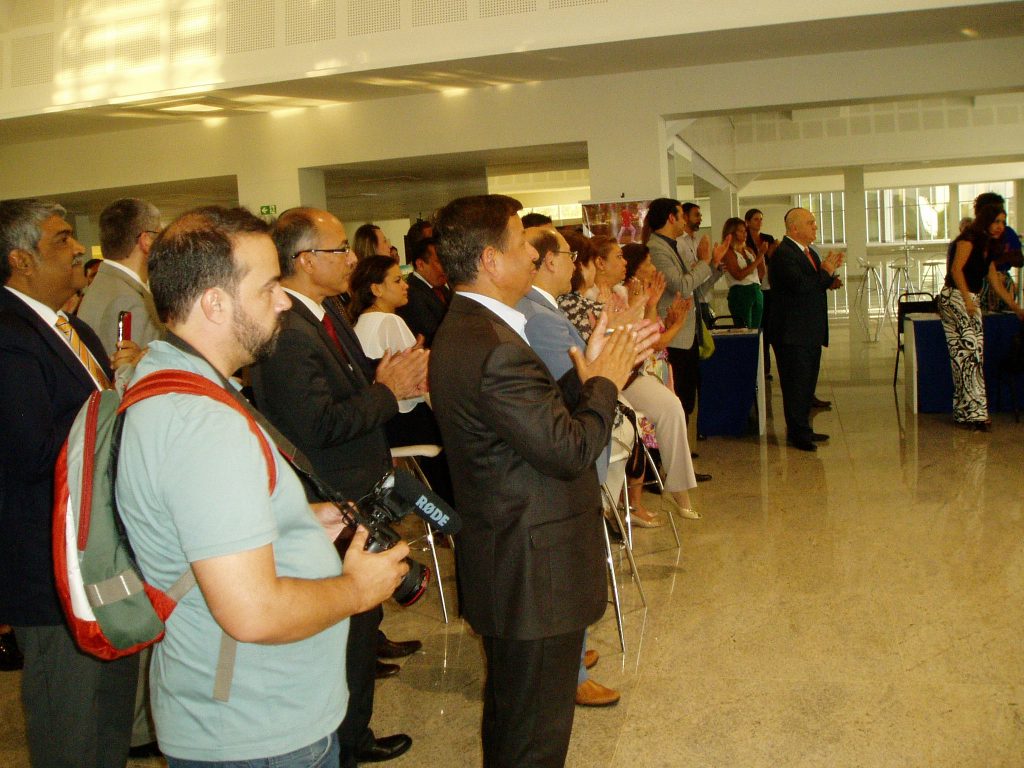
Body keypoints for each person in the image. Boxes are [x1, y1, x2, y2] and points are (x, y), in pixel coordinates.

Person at [114, 205, 410, 766]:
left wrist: (295, 518)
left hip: (240, 708)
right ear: (215, 303)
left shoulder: (178, 379)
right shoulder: (203, 423)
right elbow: (253, 611)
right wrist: (357, 588)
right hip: (257, 727)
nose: (282, 301)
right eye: (269, 286)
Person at [430, 194, 649, 768]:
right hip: (533, 568)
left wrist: (587, 379)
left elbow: (530, 428)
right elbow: (570, 450)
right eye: (522, 243)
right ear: (490, 260)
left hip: (514, 557)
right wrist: (605, 383)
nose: (535, 254)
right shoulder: (493, 346)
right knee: (533, 737)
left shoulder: (476, 329)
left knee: (516, 721)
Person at [249, 207, 425, 767]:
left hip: (359, 489)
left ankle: (355, 731)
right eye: (339, 249)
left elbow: (350, 383)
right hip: (330, 496)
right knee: (345, 635)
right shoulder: (287, 332)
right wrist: (386, 392)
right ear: (304, 260)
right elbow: (318, 424)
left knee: (361, 626)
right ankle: (347, 743)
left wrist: (387, 375)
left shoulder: (325, 312)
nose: (352, 259)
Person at [0, 199, 140, 768]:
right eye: (61, 239)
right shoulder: (9, 335)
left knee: (110, 713)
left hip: (100, 550)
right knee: (71, 720)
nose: (80, 247)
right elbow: (31, 450)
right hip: (50, 564)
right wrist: (113, 407)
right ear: (21, 260)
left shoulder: (71, 327)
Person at [592, 236, 701, 520]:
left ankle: (679, 490)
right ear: (599, 264)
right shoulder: (597, 296)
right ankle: (623, 505)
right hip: (613, 377)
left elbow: (647, 335)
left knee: (672, 407)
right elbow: (644, 340)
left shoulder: (623, 292)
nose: (624, 262)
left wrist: (650, 305)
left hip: (632, 372)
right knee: (645, 417)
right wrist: (653, 312)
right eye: (618, 257)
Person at [350, 254, 454, 503]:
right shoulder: (390, 321)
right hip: (407, 423)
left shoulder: (358, 323)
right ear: (376, 289)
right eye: (397, 281)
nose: (406, 285)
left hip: (383, 425)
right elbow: (420, 381)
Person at [937, 202, 1024, 429]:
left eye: (1003, 222)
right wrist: (967, 299)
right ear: (986, 221)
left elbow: (995, 282)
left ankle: (964, 412)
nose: (1000, 226)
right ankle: (977, 414)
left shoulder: (989, 246)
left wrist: (1015, 307)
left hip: (968, 299)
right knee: (970, 355)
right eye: (996, 221)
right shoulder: (968, 239)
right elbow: (956, 270)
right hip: (955, 298)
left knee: (966, 357)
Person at [645, 199, 729, 422]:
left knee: (688, 396)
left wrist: (713, 266)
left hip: (686, 332)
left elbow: (694, 290)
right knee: (679, 397)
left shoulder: (673, 245)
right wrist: (704, 261)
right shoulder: (657, 248)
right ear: (671, 218)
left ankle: (685, 438)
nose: (684, 221)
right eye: (681, 216)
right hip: (672, 335)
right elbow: (681, 286)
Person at [768, 208, 844, 451]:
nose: (815, 227)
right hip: (792, 332)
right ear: (794, 228)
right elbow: (800, 286)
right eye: (810, 223)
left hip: (809, 329)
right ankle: (797, 433)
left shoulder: (808, 252)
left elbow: (813, 284)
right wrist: (826, 271)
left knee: (807, 383)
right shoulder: (784, 254)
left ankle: (804, 428)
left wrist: (829, 278)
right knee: (796, 385)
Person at [77, 197, 165, 357]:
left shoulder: (105, 284)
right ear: (146, 241)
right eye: (160, 235)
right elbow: (135, 371)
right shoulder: (128, 300)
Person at [396, 237, 451, 346]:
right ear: (420, 264)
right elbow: (433, 335)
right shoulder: (411, 294)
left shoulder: (443, 288)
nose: (446, 268)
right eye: (440, 262)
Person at [745, 208, 777, 379]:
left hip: (768, 285)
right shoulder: (745, 241)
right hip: (754, 284)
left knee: (769, 328)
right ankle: (758, 366)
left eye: (761, 219)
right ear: (748, 222)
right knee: (757, 326)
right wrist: (762, 254)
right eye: (756, 219)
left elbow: (771, 260)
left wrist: (770, 252)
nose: (759, 222)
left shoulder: (767, 238)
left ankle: (766, 367)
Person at [721, 217, 765, 329]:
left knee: (756, 330)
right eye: (741, 231)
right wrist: (758, 258)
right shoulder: (728, 252)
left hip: (756, 289)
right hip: (740, 292)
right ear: (732, 233)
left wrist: (761, 254)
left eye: (745, 231)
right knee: (744, 329)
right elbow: (738, 275)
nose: (745, 234)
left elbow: (761, 273)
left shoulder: (749, 250)